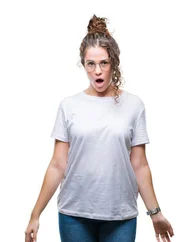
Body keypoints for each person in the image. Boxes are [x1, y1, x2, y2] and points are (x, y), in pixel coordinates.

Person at [24, 15, 174, 242]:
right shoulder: (69, 105)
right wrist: (35, 214)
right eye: (90, 64)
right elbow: (57, 164)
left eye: (103, 63)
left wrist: (155, 213)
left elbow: (140, 164)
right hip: (74, 214)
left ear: (113, 62)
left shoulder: (134, 105)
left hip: (120, 215)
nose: (97, 71)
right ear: (83, 64)